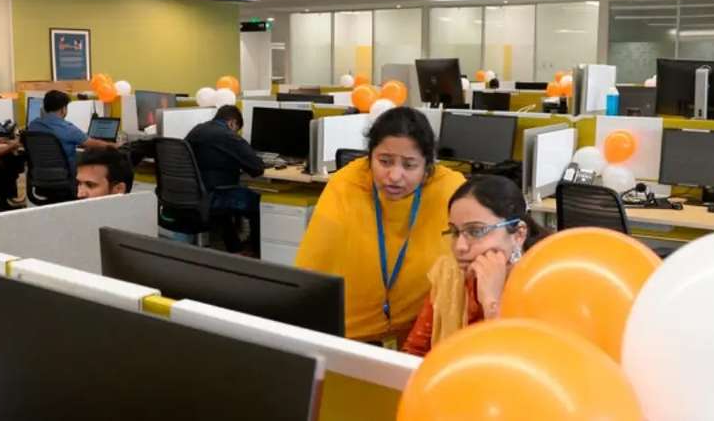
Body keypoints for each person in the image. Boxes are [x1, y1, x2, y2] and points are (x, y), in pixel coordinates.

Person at [295, 107, 466, 345]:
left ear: (427, 167)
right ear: (369, 157)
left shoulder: (450, 190)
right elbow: (314, 262)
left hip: (422, 328)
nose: (394, 175)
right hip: (354, 333)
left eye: (409, 165)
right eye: (384, 161)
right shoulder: (347, 185)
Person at [402, 175, 548, 356]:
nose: (460, 247)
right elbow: (414, 351)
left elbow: (518, 366)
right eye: (455, 232)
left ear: (518, 234)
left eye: (476, 231)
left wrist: (492, 303)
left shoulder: (542, 287)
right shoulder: (450, 275)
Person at [185, 105, 265, 254]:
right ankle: (255, 251)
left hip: (195, 193)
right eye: (236, 129)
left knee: (222, 205)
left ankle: (234, 247)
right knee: (259, 202)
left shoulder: (196, 130)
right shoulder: (229, 136)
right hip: (216, 195)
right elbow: (257, 168)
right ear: (232, 123)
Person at [27, 90, 118, 170]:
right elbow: (93, 143)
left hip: (38, 175)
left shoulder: (33, 125)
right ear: (63, 109)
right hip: (66, 174)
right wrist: (114, 145)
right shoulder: (68, 128)